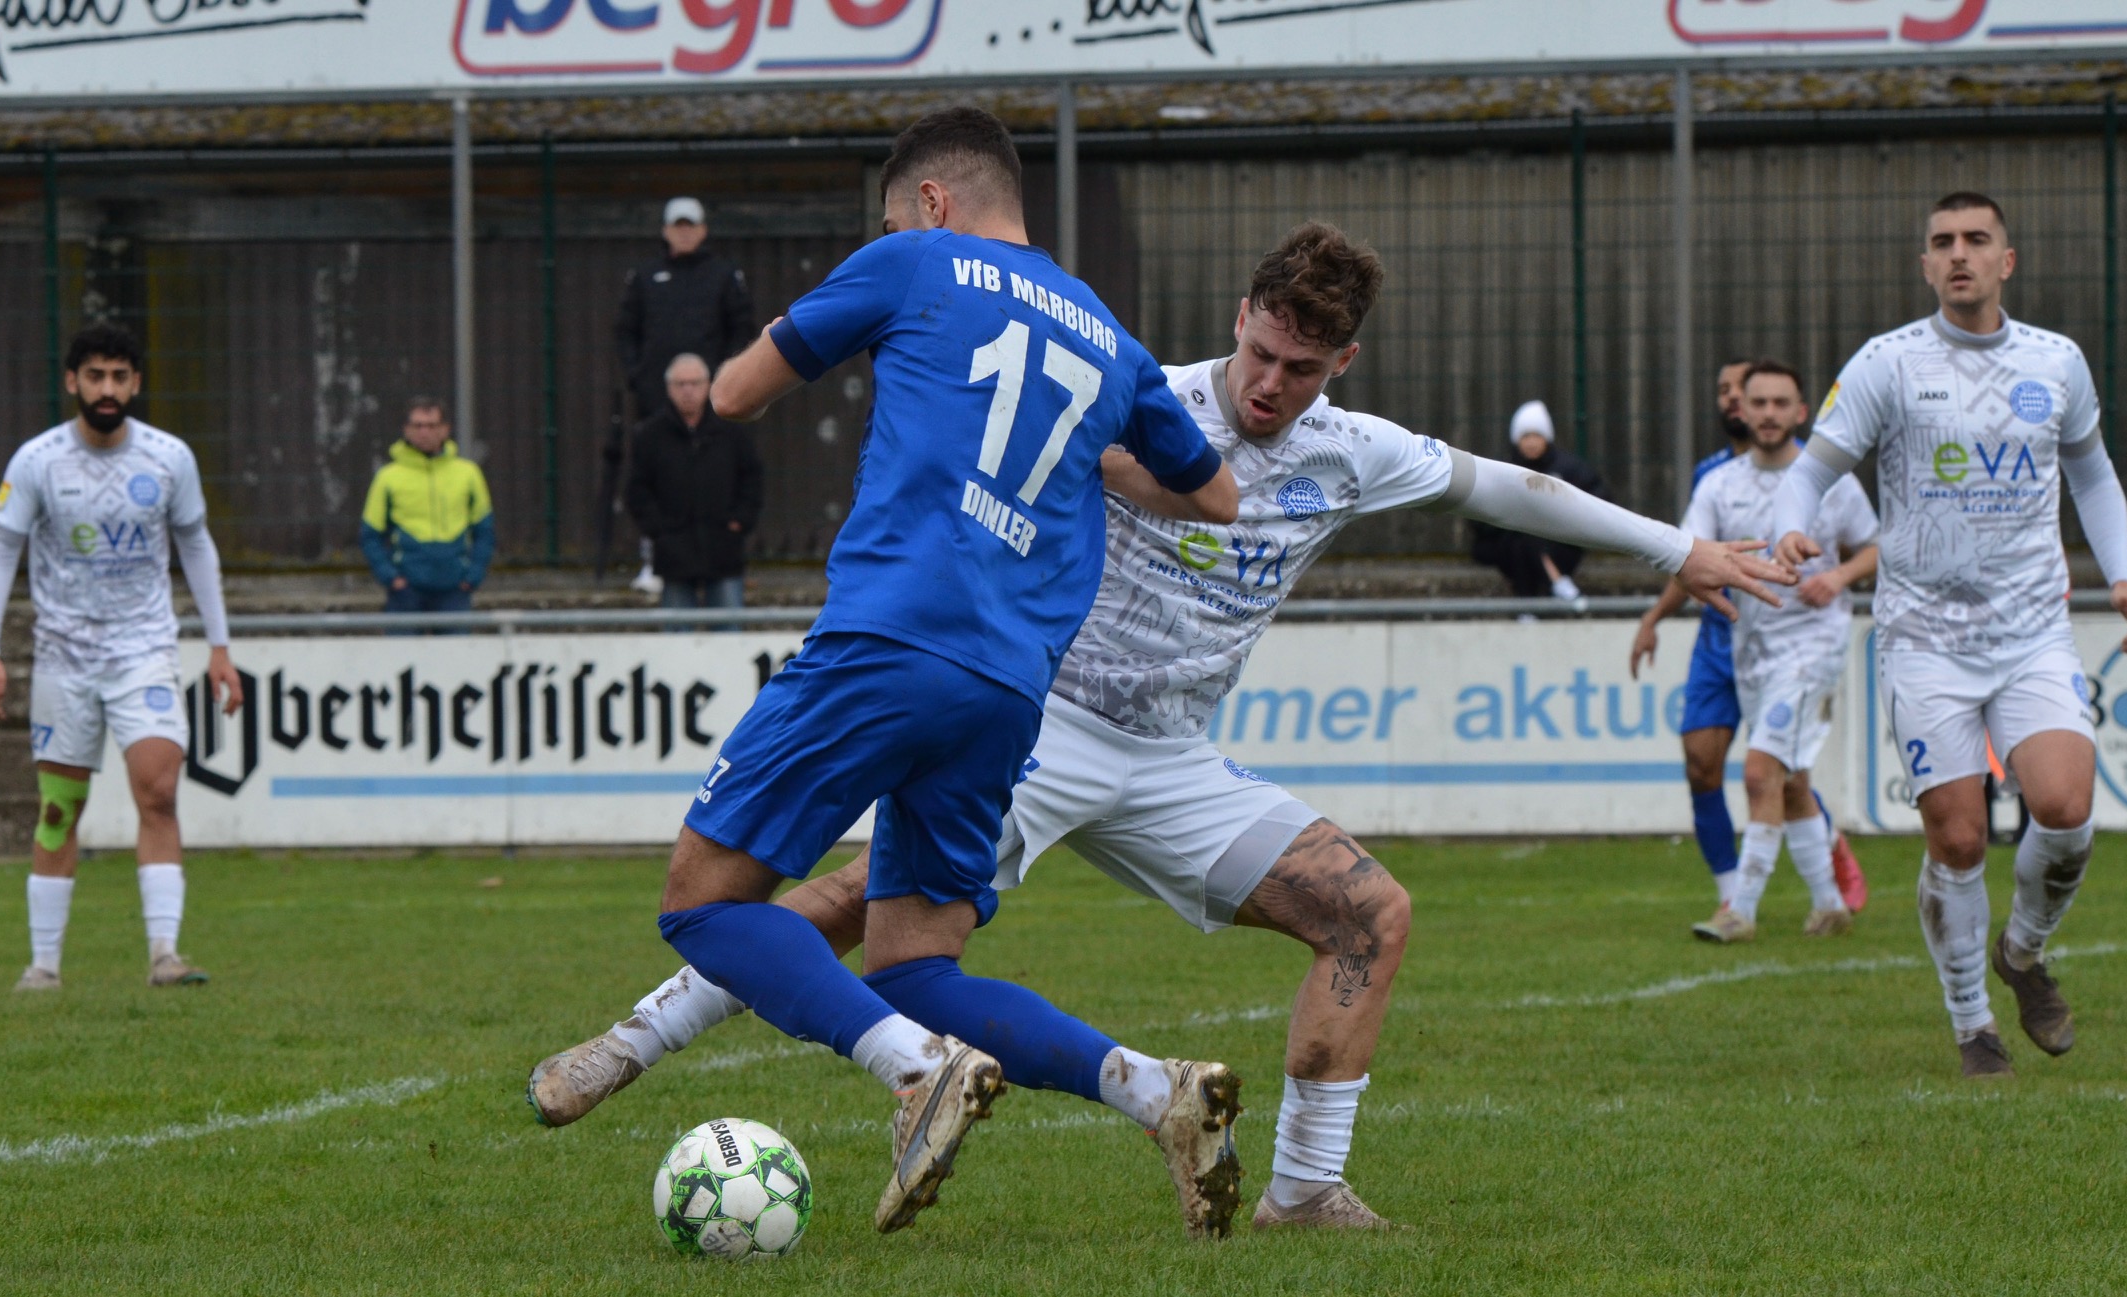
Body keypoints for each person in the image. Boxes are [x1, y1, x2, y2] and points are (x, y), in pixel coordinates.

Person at [529, 224, 1794, 1228]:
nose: (1267, 385)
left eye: (1299, 369)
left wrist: (1682, 548)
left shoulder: (1352, 452)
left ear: (1337, 364)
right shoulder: (1133, 394)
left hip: (1173, 757)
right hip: (1046, 721)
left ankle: (1304, 1192)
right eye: (1259, 353)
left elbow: (1512, 485)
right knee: (859, 903)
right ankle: (633, 1039)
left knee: (1370, 914)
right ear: (1238, 322)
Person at [641, 107, 1244, 1238]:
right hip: (1010, 686)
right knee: (914, 958)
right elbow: (1214, 494)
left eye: (890, 211)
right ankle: (1155, 1091)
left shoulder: (912, 258)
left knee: (701, 902)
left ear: (928, 200)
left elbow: (728, 394)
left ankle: (919, 1073)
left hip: (888, 638)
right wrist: (1089, 460)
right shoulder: (1109, 336)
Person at [1771, 192, 2127, 1078]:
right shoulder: (1889, 363)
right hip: (1923, 638)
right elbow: (1815, 466)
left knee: (2064, 808)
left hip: (2031, 632)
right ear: (1926, 264)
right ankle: (1973, 1023)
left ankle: (2020, 952)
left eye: (1976, 240)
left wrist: (2123, 578)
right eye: (1942, 242)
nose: (1959, 254)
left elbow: (2094, 476)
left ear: (2006, 261)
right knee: (1959, 840)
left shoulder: (2056, 362)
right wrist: (1793, 524)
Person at [0, 322, 240, 992]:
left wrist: (220, 646)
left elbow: (197, 546)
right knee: (60, 806)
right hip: (64, 655)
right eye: (96, 376)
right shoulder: (37, 460)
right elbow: (1, 549)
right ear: (73, 382)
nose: (108, 388)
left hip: (143, 649)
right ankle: (43, 965)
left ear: (136, 383)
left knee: (158, 786)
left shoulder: (168, 457)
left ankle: (164, 954)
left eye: (120, 376)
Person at [1633, 362, 1869, 923]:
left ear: (1801, 411)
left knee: (1761, 770)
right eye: (1757, 404)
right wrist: (1657, 615)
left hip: (1814, 646)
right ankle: (1829, 905)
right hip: (1749, 646)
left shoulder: (1833, 478)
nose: (1767, 414)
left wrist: (1837, 578)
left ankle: (1738, 910)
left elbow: (1876, 545)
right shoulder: (1719, 484)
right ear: (1744, 410)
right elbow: (1687, 558)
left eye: (1779, 403)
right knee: (1789, 780)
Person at [616, 197, 755, 594]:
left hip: (717, 404)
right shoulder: (645, 276)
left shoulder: (724, 275)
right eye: (677, 225)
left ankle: (725, 559)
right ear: (665, 231)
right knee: (657, 479)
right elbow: (625, 331)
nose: (684, 232)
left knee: (718, 476)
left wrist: (730, 379)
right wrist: (639, 377)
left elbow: (741, 327)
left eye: (690, 225)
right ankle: (652, 561)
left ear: (703, 230)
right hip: (657, 402)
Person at [626, 354, 763, 615]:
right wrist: (660, 531)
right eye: (680, 384)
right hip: (674, 555)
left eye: (695, 383)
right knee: (677, 643)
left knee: (728, 638)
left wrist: (739, 521)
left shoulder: (732, 430)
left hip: (724, 550)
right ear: (668, 388)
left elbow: (752, 478)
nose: (688, 390)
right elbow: (638, 490)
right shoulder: (650, 435)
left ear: (708, 385)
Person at [359, 396, 495, 621]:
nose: (424, 432)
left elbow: (485, 532)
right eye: (418, 426)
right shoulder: (387, 478)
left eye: (432, 426)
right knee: (401, 657)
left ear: (445, 430)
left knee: (457, 656)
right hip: (406, 592)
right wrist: (391, 579)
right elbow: (370, 536)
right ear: (406, 430)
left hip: (454, 591)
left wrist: (472, 578)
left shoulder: (468, 474)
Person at [1467, 400, 1606, 599]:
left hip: (1559, 543)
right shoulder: (1501, 470)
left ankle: (1527, 605)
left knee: (1531, 534)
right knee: (1524, 535)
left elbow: (1599, 500)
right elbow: (1477, 514)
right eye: (1525, 436)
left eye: (1537, 435)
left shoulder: (1569, 469)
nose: (1531, 442)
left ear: (1547, 438)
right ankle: (1557, 582)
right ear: (1516, 439)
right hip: (1509, 546)